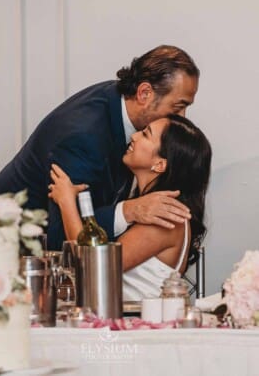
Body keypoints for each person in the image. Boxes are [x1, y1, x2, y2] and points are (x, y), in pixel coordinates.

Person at [0, 45, 199, 250]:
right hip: (10, 243)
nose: (182, 119)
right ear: (144, 93)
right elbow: (62, 237)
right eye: (178, 107)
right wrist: (129, 211)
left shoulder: (120, 103)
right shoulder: (84, 137)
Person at [48, 115, 212, 300]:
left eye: (145, 134)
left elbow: (92, 268)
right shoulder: (151, 209)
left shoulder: (164, 218)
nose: (134, 136)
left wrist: (66, 201)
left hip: (137, 323)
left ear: (160, 164)